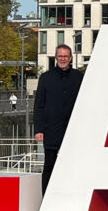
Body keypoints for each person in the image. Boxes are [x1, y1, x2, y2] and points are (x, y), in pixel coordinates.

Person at [32, 45, 82, 193]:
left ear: (71, 58)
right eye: (60, 56)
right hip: (51, 128)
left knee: (74, 164)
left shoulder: (79, 77)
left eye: (65, 56)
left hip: (73, 129)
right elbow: (39, 105)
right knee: (49, 165)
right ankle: (46, 197)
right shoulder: (46, 77)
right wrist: (39, 130)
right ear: (56, 57)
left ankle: (73, 194)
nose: (63, 59)